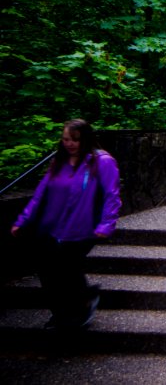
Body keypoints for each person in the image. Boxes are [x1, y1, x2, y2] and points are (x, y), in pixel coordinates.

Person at [11, 119, 122, 330]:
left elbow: (111, 195)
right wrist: (22, 221)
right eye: (65, 139)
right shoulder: (59, 163)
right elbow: (40, 195)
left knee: (66, 266)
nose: (69, 143)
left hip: (83, 227)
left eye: (74, 139)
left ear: (86, 139)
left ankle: (81, 306)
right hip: (53, 227)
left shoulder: (102, 162)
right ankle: (62, 313)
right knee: (48, 271)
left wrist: (107, 224)